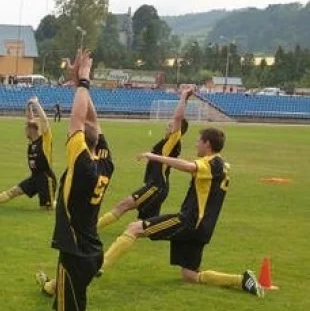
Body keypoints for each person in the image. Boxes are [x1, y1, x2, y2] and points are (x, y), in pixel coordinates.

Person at [34, 49, 158, 311]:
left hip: (76, 253)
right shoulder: (105, 162)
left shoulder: (82, 164)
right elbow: (92, 120)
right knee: (68, 291)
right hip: (91, 249)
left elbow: (79, 119)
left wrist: (85, 81)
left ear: (79, 140)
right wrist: (77, 79)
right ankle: (57, 293)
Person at [99, 127, 265, 297]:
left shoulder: (213, 163)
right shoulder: (219, 165)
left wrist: (154, 156)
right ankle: (241, 280)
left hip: (190, 222)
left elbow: (188, 166)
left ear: (207, 143)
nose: (196, 144)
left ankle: (99, 266)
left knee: (134, 228)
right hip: (202, 228)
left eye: (198, 141)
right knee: (190, 275)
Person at [97, 87, 193, 230]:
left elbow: (178, 118)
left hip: (155, 186)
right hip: (157, 186)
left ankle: (91, 228)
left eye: (171, 125)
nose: (168, 125)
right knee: (145, 226)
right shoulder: (166, 143)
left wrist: (183, 98)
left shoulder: (173, 141)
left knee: (123, 205)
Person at [0, 96, 56, 210]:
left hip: (46, 179)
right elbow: (29, 119)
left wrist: (36, 103)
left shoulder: (44, 141)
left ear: (32, 130)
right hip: (35, 177)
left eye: (26, 128)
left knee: (46, 209)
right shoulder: (31, 142)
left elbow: (44, 121)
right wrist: (28, 106)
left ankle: (66, 204)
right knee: (15, 191)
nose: (25, 130)